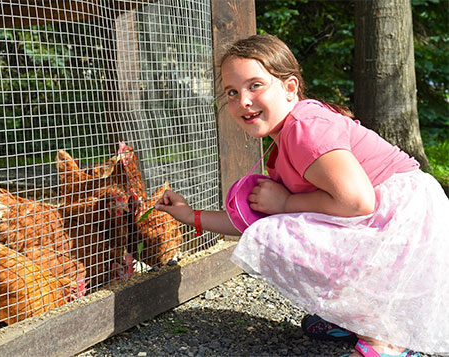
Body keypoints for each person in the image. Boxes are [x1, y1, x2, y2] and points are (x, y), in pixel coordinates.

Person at [155, 34, 449, 357]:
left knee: (282, 230)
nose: (243, 102)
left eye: (255, 85)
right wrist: (190, 215)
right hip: (387, 216)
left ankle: (388, 339)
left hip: (405, 217)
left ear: (290, 88)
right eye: (232, 92)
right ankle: (353, 318)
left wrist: (285, 203)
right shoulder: (281, 147)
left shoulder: (304, 128)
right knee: (274, 227)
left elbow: (357, 201)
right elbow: (252, 220)